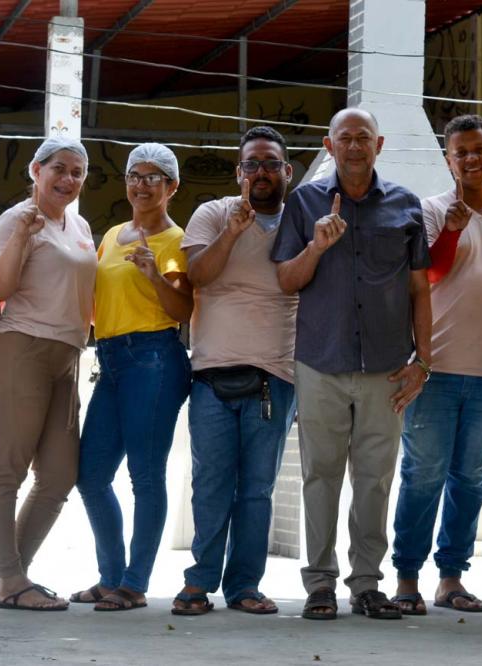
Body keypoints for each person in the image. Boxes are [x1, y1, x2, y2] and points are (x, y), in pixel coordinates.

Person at [272, 107, 432, 621]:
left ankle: (367, 585)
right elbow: (286, 281)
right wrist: (317, 247)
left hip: (386, 367)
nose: (355, 146)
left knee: (375, 479)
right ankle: (320, 584)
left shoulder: (406, 207)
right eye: (346, 138)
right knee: (320, 476)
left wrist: (422, 360)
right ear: (329, 144)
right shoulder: (303, 203)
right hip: (320, 361)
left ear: (378, 145)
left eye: (364, 137)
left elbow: (419, 290)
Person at [390, 115, 482, 615]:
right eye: (460, 152)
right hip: (435, 368)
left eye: (479, 149)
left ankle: (451, 579)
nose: (471, 158)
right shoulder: (429, 210)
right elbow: (429, 276)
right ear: (448, 161)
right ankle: (406, 578)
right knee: (422, 474)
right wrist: (449, 231)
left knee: (471, 479)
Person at [168, 126, 299, 616]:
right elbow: (197, 276)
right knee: (211, 484)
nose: (260, 172)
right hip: (211, 377)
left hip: (275, 377)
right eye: (251, 164)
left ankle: (245, 585)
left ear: (287, 171)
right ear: (237, 171)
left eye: (270, 163)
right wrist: (234, 230)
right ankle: (198, 582)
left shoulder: (300, 218)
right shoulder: (213, 213)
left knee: (258, 489)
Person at [70, 144, 193, 612]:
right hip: (112, 359)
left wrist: (155, 275)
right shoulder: (113, 234)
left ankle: (134, 583)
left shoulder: (178, 242)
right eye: (133, 175)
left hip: (155, 359)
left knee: (145, 475)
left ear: (171, 187)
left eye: (153, 176)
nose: (141, 184)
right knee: (91, 475)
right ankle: (110, 577)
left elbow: (184, 311)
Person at [0, 137, 96, 611]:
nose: (68, 180)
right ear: (36, 170)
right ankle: (11, 578)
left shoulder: (81, 223)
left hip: (67, 358)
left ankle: (16, 578)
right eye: (60, 169)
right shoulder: (17, 218)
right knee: (6, 468)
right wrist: (25, 237)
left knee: (58, 475)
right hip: (20, 349)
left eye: (78, 173)